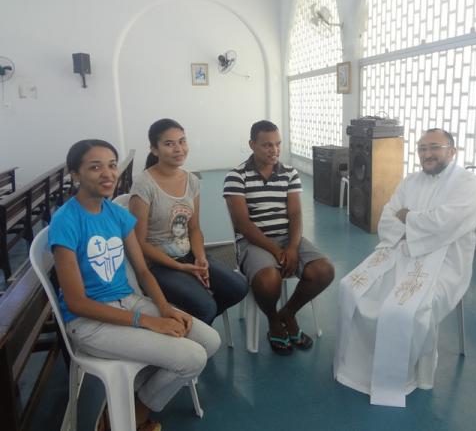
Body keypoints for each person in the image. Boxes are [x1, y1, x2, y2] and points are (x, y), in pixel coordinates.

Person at [50, 139, 221, 431]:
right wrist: (147, 322)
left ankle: (129, 399)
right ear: (75, 174)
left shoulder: (116, 213)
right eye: (95, 167)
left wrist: (165, 309)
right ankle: (137, 412)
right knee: (192, 357)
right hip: (89, 320)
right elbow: (77, 302)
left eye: (112, 165)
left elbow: (142, 270)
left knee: (209, 341)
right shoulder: (66, 220)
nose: (108, 174)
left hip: (128, 300)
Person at [333, 128, 476, 407]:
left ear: (452, 151)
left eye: (434, 147)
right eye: (422, 148)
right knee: (351, 288)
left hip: (445, 261)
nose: (427, 154)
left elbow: (446, 223)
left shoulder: (468, 184)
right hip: (399, 251)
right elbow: (387, 219)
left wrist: (409, 218)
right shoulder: (410, 181)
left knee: (402, 309)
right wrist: (417, 224)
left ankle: (398, 378)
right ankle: (354, 369)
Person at [223, 120, 335, 355]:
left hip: (287, 238)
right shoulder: (236, 176)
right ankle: (274, 320)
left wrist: (292, 247)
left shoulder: (289, 173)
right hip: (253, 242)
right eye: (266, 145)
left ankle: (288, 313)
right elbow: (242, 223)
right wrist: (276, 251)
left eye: (277, 144)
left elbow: (295, 213)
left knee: (324, 270)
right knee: (267, 280)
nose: (274, 150)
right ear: (252, 144)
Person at [129, 119, 248, 325]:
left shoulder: (191, 180)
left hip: (188, 254)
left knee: (238, 287)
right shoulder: (144, 185)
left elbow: (194, 229)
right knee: (205, 306)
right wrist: (182, 269)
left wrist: (200, 259)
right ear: (154, 150)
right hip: (158, 264)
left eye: (182, 141)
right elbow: (140, 243)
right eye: (169, 144)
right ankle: (194, 334)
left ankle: (194, 328)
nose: (179, 149)